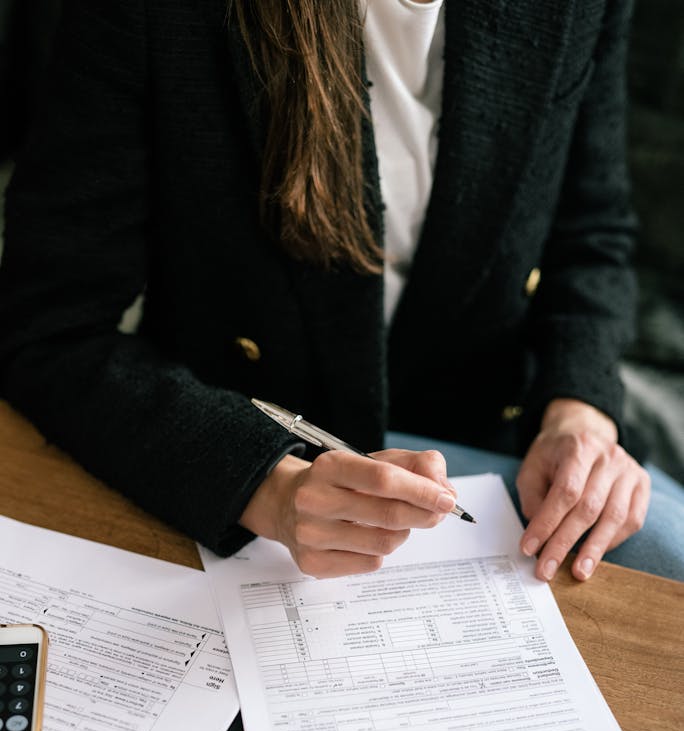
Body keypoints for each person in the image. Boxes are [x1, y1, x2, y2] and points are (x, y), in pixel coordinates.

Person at [0, 0, 682, 582]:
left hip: (489, 445)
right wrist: (264, 483)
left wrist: (579, 412)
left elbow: (590, 229)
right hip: (230, 446)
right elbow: (48, 328)